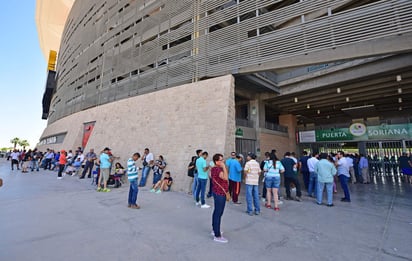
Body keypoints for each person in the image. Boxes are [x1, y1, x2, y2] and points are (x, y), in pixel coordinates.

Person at [210, 153, 229, 243]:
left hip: (217, 192)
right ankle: (217, 235)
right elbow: (225, 178)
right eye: (221, 160)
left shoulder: (214, 169)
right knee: (218, 212)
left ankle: (215, 229)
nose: (223, 161)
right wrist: (224, 167)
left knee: (217, 212)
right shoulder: (217, 169)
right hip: (220, 193)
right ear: (216, 161)